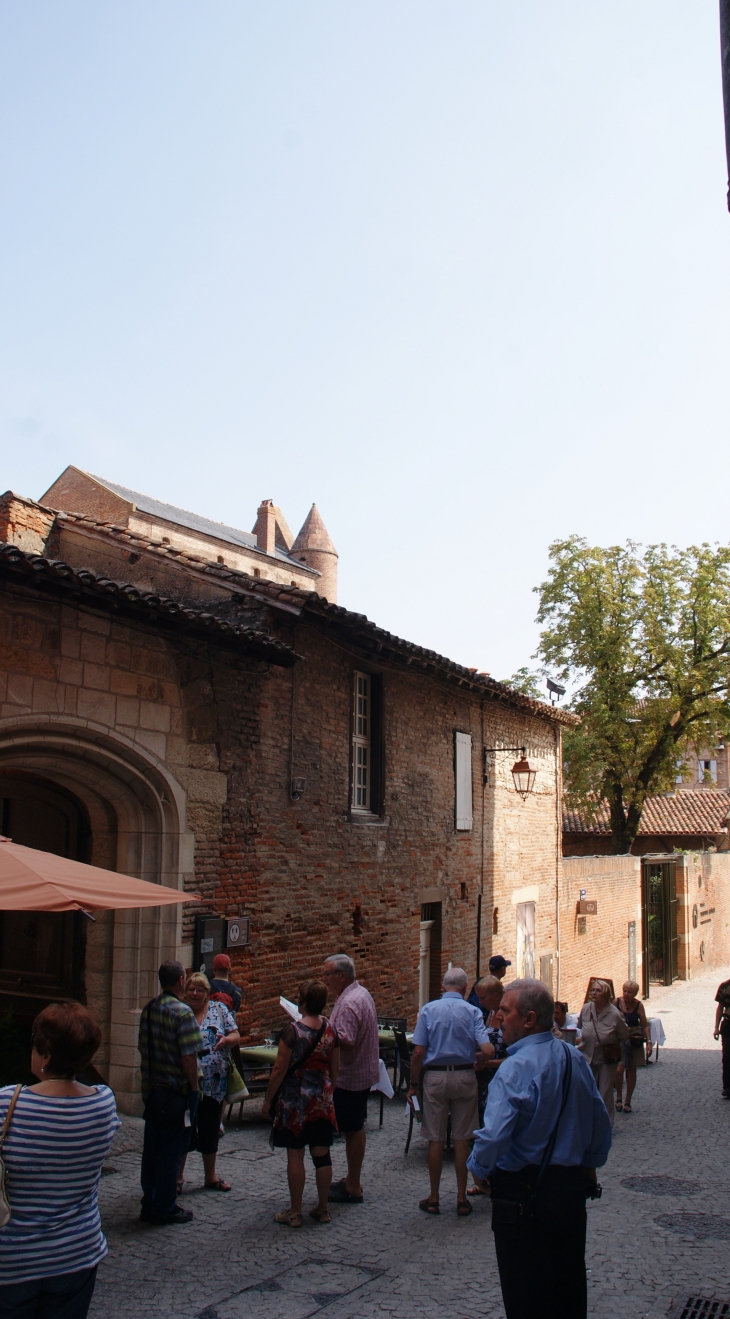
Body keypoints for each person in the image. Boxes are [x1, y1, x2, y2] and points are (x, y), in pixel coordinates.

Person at [468, 978, 612, 1319]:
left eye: (505, 1011)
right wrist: (588, 1166)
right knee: (567, 1289)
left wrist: (478, 1167)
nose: (498, 1017)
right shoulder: (572, 1057)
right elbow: (599, 1121)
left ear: (529, 1019)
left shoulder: (515, 1068)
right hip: (569, 1192)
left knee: (525, 1294)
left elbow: (495, 1135)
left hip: (522, 1193)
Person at [0, 1001, 120, 1319]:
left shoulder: (6, 1104)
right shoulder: (103, 1104)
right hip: (76, 1253)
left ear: (46, 1056)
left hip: (14, 1258)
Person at [407, 966, 494, 1216]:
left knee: (435, 1137)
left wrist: (413, 1084)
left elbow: (418, 1052)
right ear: (465, 988)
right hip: (465, 1075)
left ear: (443, 986)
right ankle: (461, 1199)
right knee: (462, 1139)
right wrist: (480, 1061)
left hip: (435, 1076)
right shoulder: (473, 1011)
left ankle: (434, 1198)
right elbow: (488, 1050)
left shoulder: (428, 1010)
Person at [262, 979, 340, 1228]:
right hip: (321, 1102)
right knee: (322, 1154)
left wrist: (268, 1100)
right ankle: (323, 1208)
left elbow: (278, 1069)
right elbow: (334, 1068)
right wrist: (328, 1093)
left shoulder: (292, 1032)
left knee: (295, 1155)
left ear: (303, 1003)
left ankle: (295, 1212)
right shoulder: (330, 1030)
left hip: (294, 1103)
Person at [138, 960, 203, 1225]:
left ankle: (149, 1202)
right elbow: (189, 1057)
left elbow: (143, 1047)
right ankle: (164, 1207)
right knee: (171, 1151)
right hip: (177, 1093)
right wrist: (194, 1088)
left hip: (153, 1091)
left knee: (151, 1150)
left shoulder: (149, 1009)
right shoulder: (184, 1013)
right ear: (181, 980)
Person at [322, 953, 379, 1205]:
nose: (324, 980)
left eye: (327, 974)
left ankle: (353, 1186)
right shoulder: (361, 993)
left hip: (349, 1077)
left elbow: (345, 1040)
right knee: (356, 1127)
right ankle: (351, 1178)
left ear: (341, 976)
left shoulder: (347, 1004)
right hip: (361, 1074)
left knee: (353, 1129)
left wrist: (322, 1029)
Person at [177, 973, 241, 1193]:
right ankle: (178, 1178)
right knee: (185, 1130)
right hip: (187, 1083)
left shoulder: (219, 1010)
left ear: (207, 994)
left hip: (215, 1083)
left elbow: (235, 1034)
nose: (194, 993)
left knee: (210, 1130)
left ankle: (210, 1176)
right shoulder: (181, 1012)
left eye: (199, 990)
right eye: (191, 989)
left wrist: (226, 1040)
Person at [577, 979, 629, 1125]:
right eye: (593, 990)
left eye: (598, 991)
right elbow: (580, 1026)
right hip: (587, 1056)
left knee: (605, 1092)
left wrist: (610, 1043)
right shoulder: (586, 1009)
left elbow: (624, 1035)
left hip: (606, 1059)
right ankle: (588, 1123)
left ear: (606, 994)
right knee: (587, 1091)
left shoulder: (615, 1014)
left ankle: (605, 1125)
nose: (594, 993)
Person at [614, 980, 650, 1114]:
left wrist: (649, 1041)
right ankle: (618, 1096)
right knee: (619, 1069)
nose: (626, 994)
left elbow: (645, 1024)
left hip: (634, 1041)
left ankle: (628, 1100)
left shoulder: (639, 1005)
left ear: (635, 993)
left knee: (631, 1070)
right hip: (619, 1041)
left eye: (630, 992)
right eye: (625, 991)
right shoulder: (616, 1003)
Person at [713, 975, 730, 1098]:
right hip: (728, 1024)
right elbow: (720, 1007)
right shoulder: (724, 987)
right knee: (727, 1056)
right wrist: (716, 1027)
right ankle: (728, 1087)